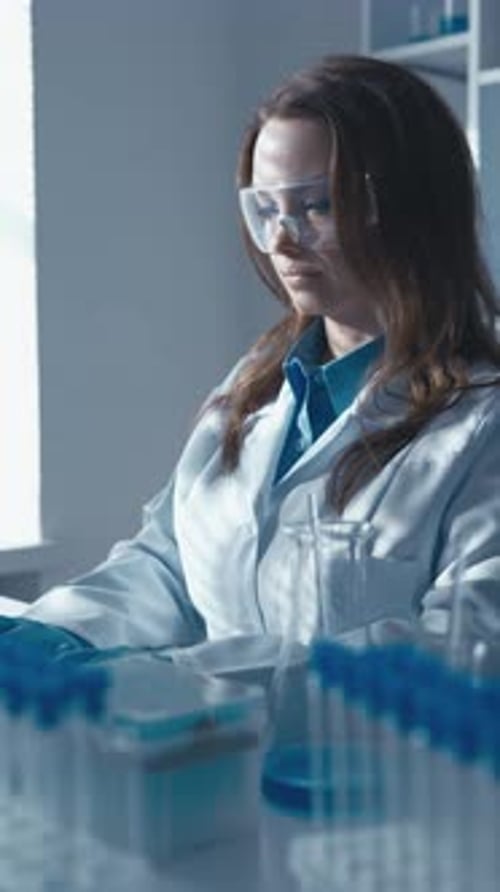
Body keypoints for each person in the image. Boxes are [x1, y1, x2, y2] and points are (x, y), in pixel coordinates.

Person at [5, 53, 500, 672]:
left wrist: (194, 682)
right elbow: (168, 562)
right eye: (266, 209)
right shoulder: (255, 387)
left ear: (411, 207)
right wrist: (51, 636)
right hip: (222, 759)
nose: (283, 240)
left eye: (317, 205)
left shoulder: (483, 424)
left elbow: (465, 653)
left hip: (389, 767)